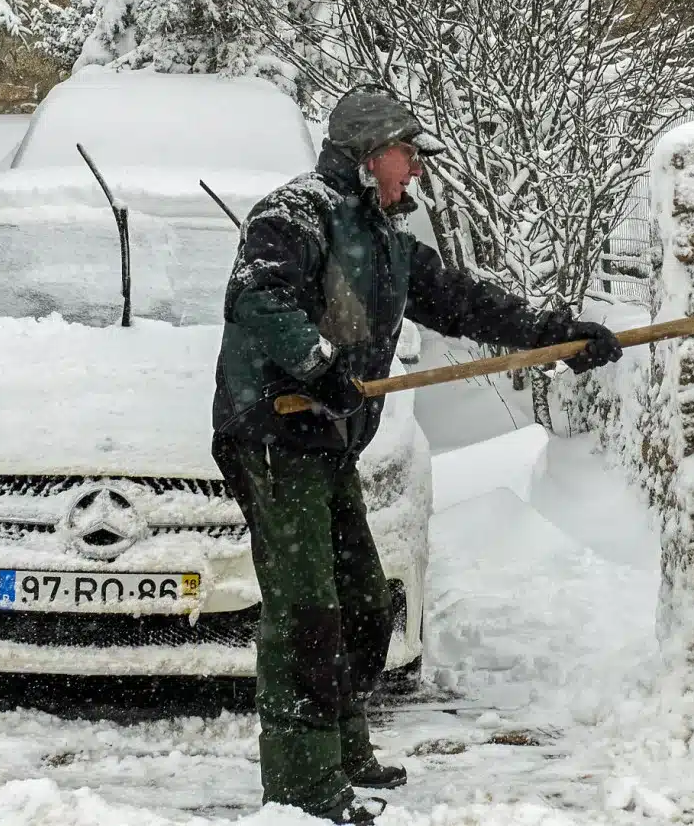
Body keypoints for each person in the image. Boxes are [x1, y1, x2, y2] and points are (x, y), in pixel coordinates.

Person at [211, 84, 624, 824]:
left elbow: (463, 300)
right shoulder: (292, 214)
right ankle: (302, 787)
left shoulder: (387, 239)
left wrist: (556, 334)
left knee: (363, 603)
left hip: (329, 442)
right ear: (369, 157)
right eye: (407, 154)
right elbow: (258, 298)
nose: (417, 169)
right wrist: (318, 365)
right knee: (307, 611)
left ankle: (343, 749)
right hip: (274, 436)